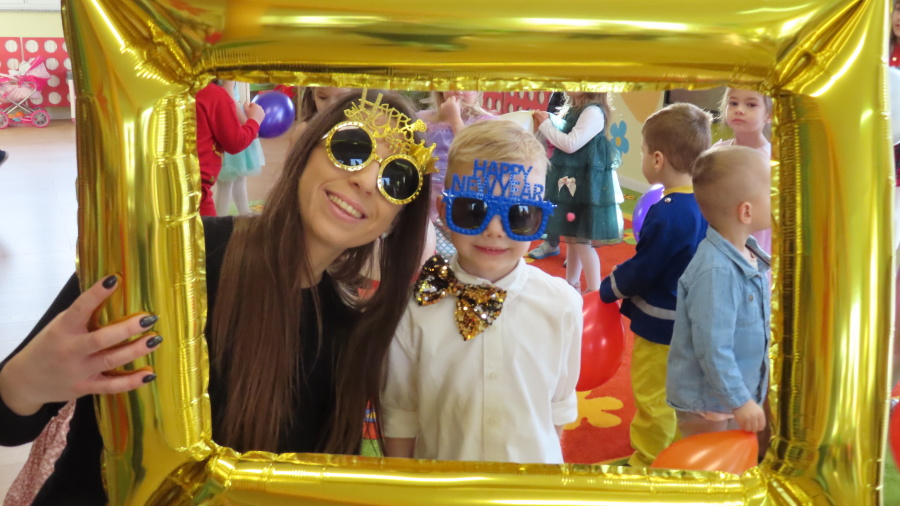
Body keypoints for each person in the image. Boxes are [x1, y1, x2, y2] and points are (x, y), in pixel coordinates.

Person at [0, 90, 436, 504]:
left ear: (397, 220)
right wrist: (25, 382)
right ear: (307, 150)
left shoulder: (350, 334)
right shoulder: (170, 256)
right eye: (352, 148)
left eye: (396, 179)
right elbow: (8, 421)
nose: (365, 180)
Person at [382, 120, 582, 463]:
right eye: (473, 210)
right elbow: (400, 414)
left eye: (519, 215)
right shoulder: (413, 307)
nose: (494, 230)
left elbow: (557, 411)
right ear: (444, 211)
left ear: (539, 219)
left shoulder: (562, 305)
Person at [598, 102, 712, 468]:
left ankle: (648, 461)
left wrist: (609, 288)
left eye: (644, 152)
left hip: (662, 325)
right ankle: (677, 455)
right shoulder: (707, 202)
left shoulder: (666, 213)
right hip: (694, 320)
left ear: (658, 159)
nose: (644, 158)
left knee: (653, 395)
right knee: (681, 393)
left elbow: (644, 269)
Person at [666, 145, 771, 438]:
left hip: (737, 396)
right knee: (705, 462)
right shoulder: (717, 272)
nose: (778, 198)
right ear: (746, 211)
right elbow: (713, 348)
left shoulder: (750, 254)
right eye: (772, 193)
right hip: (709, 405)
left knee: (734, 456)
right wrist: (740, 401)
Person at [533, 92, 623, 293]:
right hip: (573, 182)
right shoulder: (576, 109)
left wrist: (545, 125)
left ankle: (594, 291)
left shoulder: (593, 111)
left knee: (582, 242)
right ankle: (571, 285)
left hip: (584, 185)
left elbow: (570, 144)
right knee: (573, 238)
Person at [419, 91, 496, 259]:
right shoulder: (423, 119)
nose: (459, 89)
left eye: (467, 84)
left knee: (461, 249)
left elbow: (475, 155)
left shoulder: (486, 122)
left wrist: (455, 119)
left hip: (464, 198)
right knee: (426, 250)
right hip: (427, 199)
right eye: (452, 81)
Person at [713, 87, 772, 254]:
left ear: (769, 115)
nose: (739, 110)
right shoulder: (716, 152)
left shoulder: (771, 160)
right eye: (733, 103)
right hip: (718, 244)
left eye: (751, 105)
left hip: (755, 250)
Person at [196, 80, 265, 216]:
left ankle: (243, 213)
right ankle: (226, 218)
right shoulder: (214, 93)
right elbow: (236, 142)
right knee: (227, 183)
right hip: (230, 127)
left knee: (235, 181)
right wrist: (253, 121)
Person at [527, 91, 566, 260]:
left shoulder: (585, 115)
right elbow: (541, 141)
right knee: (550, 203)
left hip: (572, 168)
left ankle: (576, 252)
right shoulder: (558, 98)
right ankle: (551, 242)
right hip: (551, 166)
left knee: (571, 208)